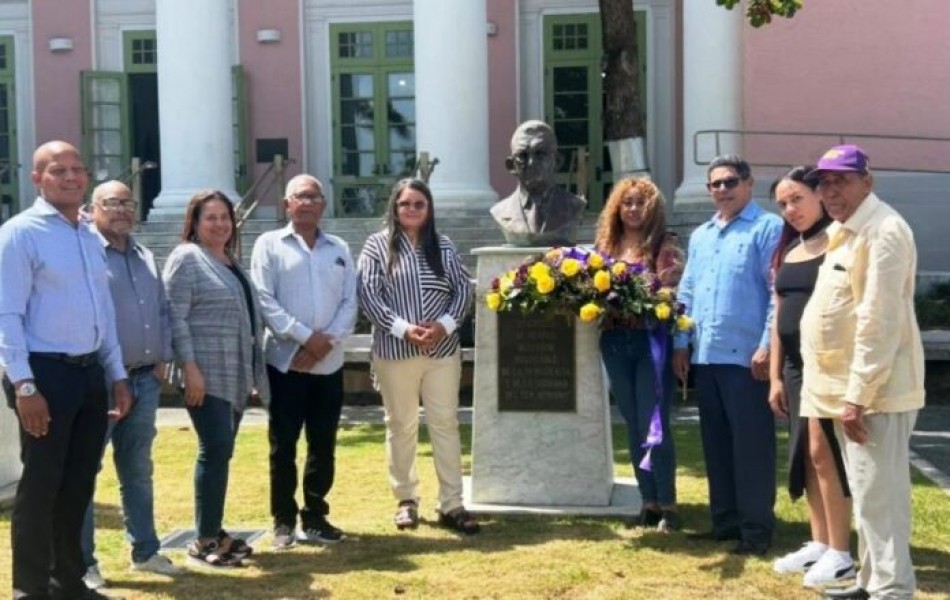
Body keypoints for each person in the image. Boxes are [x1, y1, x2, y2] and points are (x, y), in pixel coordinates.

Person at [0, 141, 131, 600]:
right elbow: (6, 315)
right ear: (37, 178)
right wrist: (24, 384)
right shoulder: (20, 234)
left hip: (89, 373)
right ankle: (31, 589)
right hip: (43, 373)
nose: (72, 176)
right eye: (59, 170)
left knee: (78, 484)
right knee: (41, 485)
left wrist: (116, 374)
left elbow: (104, 312)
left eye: (79, 168)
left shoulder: (87, 235)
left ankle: (68, 581)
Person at [799, 145, 925, 600]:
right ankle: (874, 583)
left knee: (881, 499)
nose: (830, 191)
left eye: (842, 181)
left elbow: (879, 320)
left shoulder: (883, 231)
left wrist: (858, 396)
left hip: (874, 395)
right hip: (849, 392)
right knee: (870, 498)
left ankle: (892, 590)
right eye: (824, 182)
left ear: (866, 182)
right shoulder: (849, 229)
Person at [672, 154, 783, 556]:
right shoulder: (701, 235)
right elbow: (686, 292)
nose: (723, 189)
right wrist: (680, 343)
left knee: (751, 447)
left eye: (731, 182)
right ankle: (725, 522)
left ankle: (756, 532)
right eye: (716, 184)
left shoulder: (768, 228)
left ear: (749, 184)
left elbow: (776, 293)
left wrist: (767, 345)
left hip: (746, 360)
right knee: (716, 445)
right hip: (706, 355)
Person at [358, 178, 479, 534]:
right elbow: (368, 294)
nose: (411, 209)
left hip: (441, 352)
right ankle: (406, 500)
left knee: (445, 424)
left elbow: (463, 291)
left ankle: (452, 503)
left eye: (418, 204)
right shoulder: (377, 246)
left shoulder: (443, 246)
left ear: (429, 210)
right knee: (401, 426)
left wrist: (443, 325)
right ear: (394, 208)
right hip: (396, 352)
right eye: (404, 204)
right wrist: (404, 329)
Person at [80, 181, 183, 590]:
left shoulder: (145, 255)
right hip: (100, 381)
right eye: (111, 203)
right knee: (85, 472)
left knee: (138, 469)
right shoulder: (86, 254)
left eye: (127, 202)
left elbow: (160, 309)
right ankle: (83, 563)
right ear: (92, 209)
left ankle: (146, 550)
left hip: (144, 379)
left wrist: (163, 355)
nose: (121, 209)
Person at [250, 175, 358, 550]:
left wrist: (324, 345)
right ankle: (283, 520)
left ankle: (315, 515)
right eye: (300, 197)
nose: (307, 203)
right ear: (287, 204)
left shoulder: (339, 248)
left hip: (328, 364)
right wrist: (304, 338)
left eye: (314, 197)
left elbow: (350, 302)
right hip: (285, 364)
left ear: (323, 204)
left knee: (323, 443)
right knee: (283, 445)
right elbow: (264, 300)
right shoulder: (268, 246)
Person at [163, 190, 268, 568]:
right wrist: (189, 369)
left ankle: (214, 529)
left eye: (225, 217)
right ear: (194, 222)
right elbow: (175, 317)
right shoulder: (187, 258)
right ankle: (204, 540)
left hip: (232, 372)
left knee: (222, 452)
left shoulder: (229, 260)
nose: (220, 224)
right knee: (215, 449)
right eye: (211, 217)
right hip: (203, 373)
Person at [766, 167, 855, 588]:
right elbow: (779, 315)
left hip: (830, 363)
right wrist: (775, 377)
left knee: (825, 454)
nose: (790, 209)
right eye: (783, 203)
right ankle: (819, 543)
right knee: (804, 456)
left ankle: (841, 551)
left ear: (819, 195)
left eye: (797, 198)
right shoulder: (790, 249)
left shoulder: (841, 241)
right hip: (794, 367)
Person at [594, 177, 684, 533]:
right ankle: (648, 500)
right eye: (627, 202)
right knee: (632, 422)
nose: (633, 209)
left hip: (651, 342)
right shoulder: (606, 244)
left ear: (653, 208)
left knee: (655, 423)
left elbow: (672, 291)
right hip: (614, 341)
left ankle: (669, 504)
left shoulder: (666, 245)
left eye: (640, 203)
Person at [490, 120, 586, 246]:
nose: (531, 163)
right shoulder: (500, 211)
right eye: (522, 156)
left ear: (557, 161)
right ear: (511, 166)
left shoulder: (573, 206)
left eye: (540, 154)